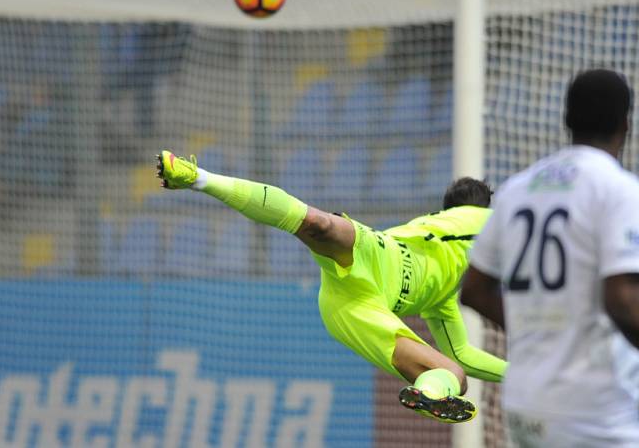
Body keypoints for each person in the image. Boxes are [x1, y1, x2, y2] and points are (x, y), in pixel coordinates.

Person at [460, 69, 639, 447]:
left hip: (524, 403)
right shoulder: (621, 192)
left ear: (567, 120)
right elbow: (623, 299)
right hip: (589, 409)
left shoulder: (517, 190)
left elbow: (475, 291)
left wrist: (539, 329)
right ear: (625, 123)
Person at [156, 151, 507, 423]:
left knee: (455, 374)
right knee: (318, 222)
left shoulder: (443, 295)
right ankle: (196, 177)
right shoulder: (478, 220)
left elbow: (462, 354)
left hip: (355, 307)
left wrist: (515, 371)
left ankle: (429, 395)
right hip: (378, 255)